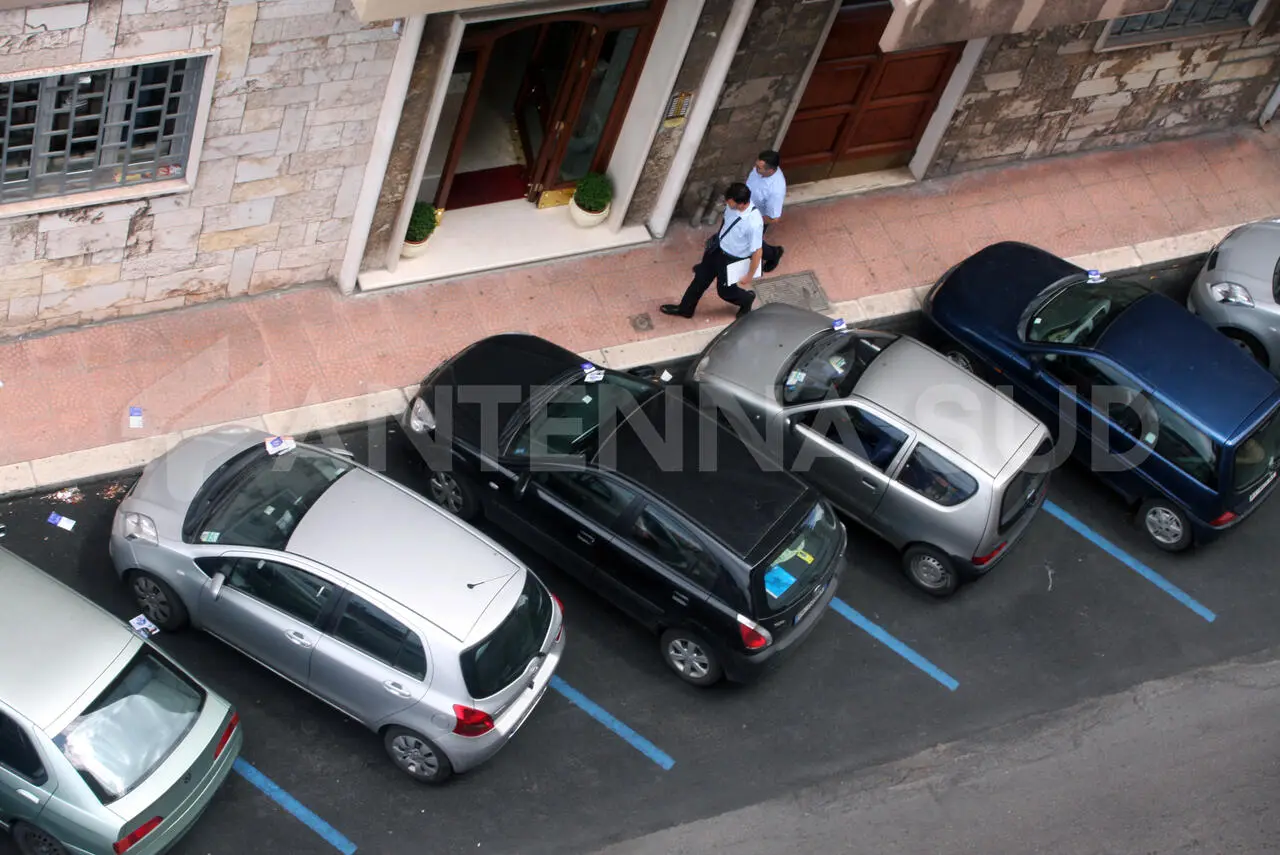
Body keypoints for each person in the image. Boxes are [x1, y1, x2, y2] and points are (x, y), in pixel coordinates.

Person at [661, 182, 762, 319]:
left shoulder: (754, 223)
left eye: (730, 202)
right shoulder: (732, 207)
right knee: (700, 280)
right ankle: (685, 309)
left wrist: (749, 275)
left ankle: (746, 299)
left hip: (731, 259)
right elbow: (727, 224)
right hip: (717, 250)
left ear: (741, 204)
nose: (727, 203)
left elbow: (757, 251)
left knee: (725, 292)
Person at [747, 150, 786, 272]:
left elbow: (773, 218)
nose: (755, 169)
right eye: (756, 165)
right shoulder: (758, 170)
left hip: (755, 217)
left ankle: (774, 253)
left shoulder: (776, 190)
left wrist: (753, 220)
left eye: (759, 168)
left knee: (751, 244)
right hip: (744, 208)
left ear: (770, 170)